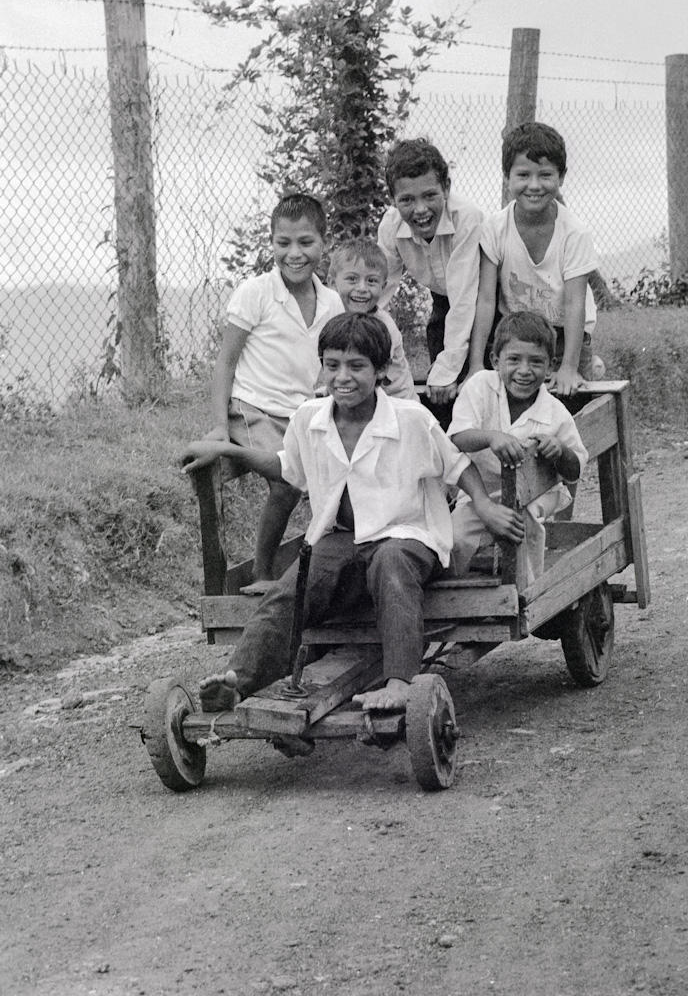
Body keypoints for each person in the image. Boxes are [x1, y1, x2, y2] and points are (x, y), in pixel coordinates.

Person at [181, 313, 523, 720]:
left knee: (391, 563)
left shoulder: (411, 420)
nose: (343, 377)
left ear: (380, 371)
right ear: (322, 366)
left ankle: (399, 682)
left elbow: (456, 465)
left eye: (357, 366)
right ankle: (238, 680)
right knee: (295, 586)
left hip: (409, 536)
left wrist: (483, 504)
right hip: (343, 538)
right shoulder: (309, 419)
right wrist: (228, 451)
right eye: (332, 365)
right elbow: (287, 467)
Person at [200, 192, 343, 594]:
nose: (294, 253)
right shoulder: (256, 292)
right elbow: (226, 362)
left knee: (335, 483)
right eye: (283, 243)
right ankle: (262, 574)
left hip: (304, 413)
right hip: (254, 409)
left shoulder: (331, 302)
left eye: (305, 242)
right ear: (272, 244)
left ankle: (315, 572)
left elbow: (330, 363)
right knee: (287, 483)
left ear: (323, 243)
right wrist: (218, 427)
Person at [448, 311, 589, 583]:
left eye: (536, 362)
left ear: (551, 367)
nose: (524, 371)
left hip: (538, 492)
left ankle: (526, 595)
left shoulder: (555, 412)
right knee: (455, 537)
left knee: (523, 522)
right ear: (495, 360)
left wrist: (559, 450)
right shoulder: (480, 387)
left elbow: (574, 471)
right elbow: (457, 436)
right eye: (514, 359)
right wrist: (491, 437)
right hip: (481, 491)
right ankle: (457, 594)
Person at [467, 122, 599, 396]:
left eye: (546, 175)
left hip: (563, 337)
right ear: (507, 176)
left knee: (572, 397)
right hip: (514, 334)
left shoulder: (574, 233)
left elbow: (575, 303)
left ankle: (585, 364)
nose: (534, 186)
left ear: (561, 177)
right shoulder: (494, 228)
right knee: (506, 400)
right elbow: (486, 299)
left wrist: (568, 368)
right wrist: (476, 364)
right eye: (524, 175)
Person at [376, 137, 484, 424]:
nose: (420, 209)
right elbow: (378, 292)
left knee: (475, 377)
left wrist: (447, 371)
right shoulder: (391, 225)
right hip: (443, 297)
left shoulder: (466, 219)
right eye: (407, 200)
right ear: (393, 199)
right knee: (441, 389)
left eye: (429, 196)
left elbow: (465, 299)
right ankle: (451, 447)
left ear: (446, 188)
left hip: (486, 296)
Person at [327, 237, 417, 399]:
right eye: (352, 279)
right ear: (332, 283)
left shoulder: (383, 327)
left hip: (396, 405)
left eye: (371, 281)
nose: (362, 288)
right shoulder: (330, 318)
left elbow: (369, 378)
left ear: (383, 287)